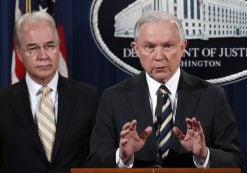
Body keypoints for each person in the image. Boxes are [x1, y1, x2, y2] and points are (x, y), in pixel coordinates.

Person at [86, 11, 243, 169]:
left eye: (168, 46)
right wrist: (122, 156)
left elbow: (235, 164)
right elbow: (93, 164)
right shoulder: (114, 98)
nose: (159, 56)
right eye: (149, 47)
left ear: (183, 47)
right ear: (136, 49)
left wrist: (204, 155)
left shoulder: (212, 96)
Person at [0, 11, 98, 173]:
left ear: (58, 47)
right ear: (19, 53)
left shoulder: (89, 98)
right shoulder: (3, 104)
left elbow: (98, 157)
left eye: (49, 46)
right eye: (33, 48)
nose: (43, 55)